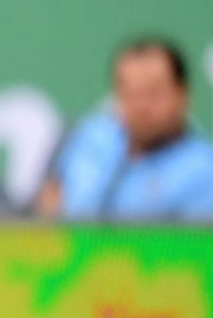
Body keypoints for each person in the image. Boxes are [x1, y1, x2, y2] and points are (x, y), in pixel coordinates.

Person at [38, 37, 213, 221]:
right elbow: (49, 201)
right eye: (131, 93)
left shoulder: (203, 170)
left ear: (183, 95)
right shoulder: (92, 137)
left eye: (154, 93)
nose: (142, 107)